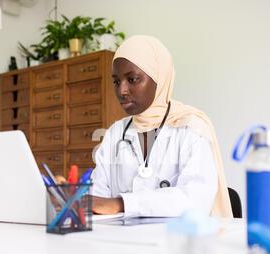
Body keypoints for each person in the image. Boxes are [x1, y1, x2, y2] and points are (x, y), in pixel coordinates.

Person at [77, 35, 232, 218]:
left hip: (178, 243)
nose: (122, 91)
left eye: (132, 79)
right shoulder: (115, 133)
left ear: (159, 78)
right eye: (116, 81)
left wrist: (121, 203)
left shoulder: (191, 128)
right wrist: (75, 197)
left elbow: (195, 200)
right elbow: (99, 197)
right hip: (122, 242)